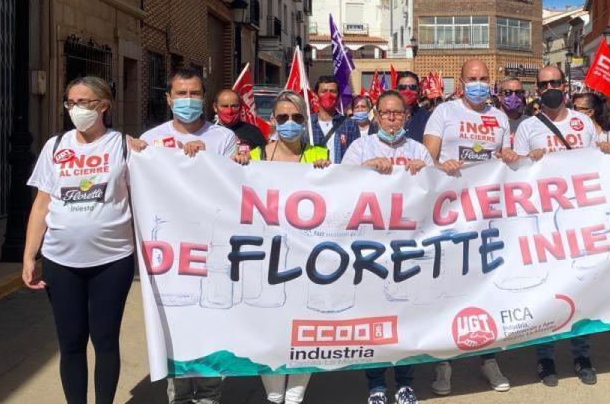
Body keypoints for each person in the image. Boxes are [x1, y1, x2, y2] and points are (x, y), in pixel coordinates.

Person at [23, 77, 144, 404]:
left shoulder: (123, 146)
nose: (76, 109)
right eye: (71, 102)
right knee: (71, 342)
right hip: (60, 261)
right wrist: (29, 255)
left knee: (105, 341)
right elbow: (42, 203)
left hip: (112, 260)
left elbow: (157, 186)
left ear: (103, 106)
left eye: (84, 102)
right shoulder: (56, 146)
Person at [140, 68, 248, 404]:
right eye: (181, 94)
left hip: (213, 251)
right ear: (169, 99)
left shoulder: (222, 139)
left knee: (212, 324)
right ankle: (180, 395)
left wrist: (219, 162)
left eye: (195, 94)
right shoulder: (152, 140)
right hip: (170, 255)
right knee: (176, 323)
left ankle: (210, 395)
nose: (188, 100)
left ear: (205, 97)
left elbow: (233, 190)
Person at [423, 59, 514, 395]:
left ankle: (488, 359)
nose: (478, 83)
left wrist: (509, 157)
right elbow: (425, 157)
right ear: (460, 83)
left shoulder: (500, 117)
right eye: (471, 79)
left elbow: (506, 156)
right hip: (449, 216)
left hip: (489, 216)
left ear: (490, 81)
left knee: (488, 288)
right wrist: (440, 163)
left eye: (483, 78)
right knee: (449, 290)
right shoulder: (444, 113)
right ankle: (444, 363)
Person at [342, 91, 435, 404]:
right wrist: (365, 168)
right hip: (371, 247)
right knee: (375, 319)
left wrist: (426, 172)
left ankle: (406, 382)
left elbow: (436, 194)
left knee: (406, 317)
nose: (392, 119)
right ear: (376, 116)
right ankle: (377, 384)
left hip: (408, 246)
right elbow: (340, 189)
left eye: (398, 114)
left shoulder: (419, 150)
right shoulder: (359, 147)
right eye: (386, 113)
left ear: (407, 117)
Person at [512, 66, 599, 387]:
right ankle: (545, 357)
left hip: (580, 219)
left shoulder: (584, 122)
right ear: (536, 89)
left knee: (580, 285)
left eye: (555, 82)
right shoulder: (527, 127)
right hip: (543, 224)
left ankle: (582, 354)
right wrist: (524, 159)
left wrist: (606, 149)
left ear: (565, 86)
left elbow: (603, 161)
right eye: (543, 84)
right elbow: (513, 172)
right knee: (546, 290)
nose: (549, 87)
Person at [258, 91, 328, 404]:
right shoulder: (256, 155)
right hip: (265, 255)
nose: (290, 123)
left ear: (306, 121)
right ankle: (274, 396)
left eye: (297, 118)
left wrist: (330, 173)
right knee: (269, 327)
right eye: (283, 117)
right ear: (273, 120)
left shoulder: (319, 154)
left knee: (305, 326)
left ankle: (296, 394)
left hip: (307, 257)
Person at [214, 89, 266, 160]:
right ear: (215, 107)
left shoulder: (253, 132)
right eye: (225, 106)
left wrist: (249, 156)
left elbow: (264, 154)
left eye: (234, 106)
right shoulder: (208, 131)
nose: (230, 111)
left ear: (241, 107)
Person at [309, 75, 347, 163]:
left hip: (340, 175)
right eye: (324, 91)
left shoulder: (349, 124)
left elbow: (355, 155)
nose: (328, 95)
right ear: (316, 95)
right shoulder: (307, 124)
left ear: (338, 96)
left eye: (333, 91)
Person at [332, 94, 377, 161]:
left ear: (369, 109)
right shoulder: (345, 130)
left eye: (363, 106)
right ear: (353, 111)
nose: (360, 109)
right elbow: (339, 154)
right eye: (356, 107)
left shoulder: (377, 129)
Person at [396, 71, 432, 142]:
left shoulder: (427, 118)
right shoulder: (384, 116)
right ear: (396, 90)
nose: (407, 91)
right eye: (402, 87)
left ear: (418, 90)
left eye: (413, 87)